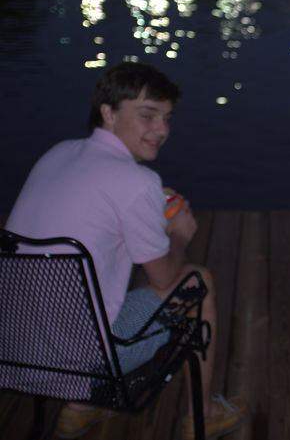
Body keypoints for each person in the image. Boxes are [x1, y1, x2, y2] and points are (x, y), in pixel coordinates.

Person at [6, 62, 247, 440]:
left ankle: (79, 409)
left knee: (79, 298)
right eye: (147, 116)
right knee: (197, 282)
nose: (162, 130)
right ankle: (203, 413)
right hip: (82, 363)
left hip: (14, 347)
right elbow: (164, 278)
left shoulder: (59, 153)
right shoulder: (136, 181)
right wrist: (178, 235)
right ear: (108, 112)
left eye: (167, 118)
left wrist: (149, 208)